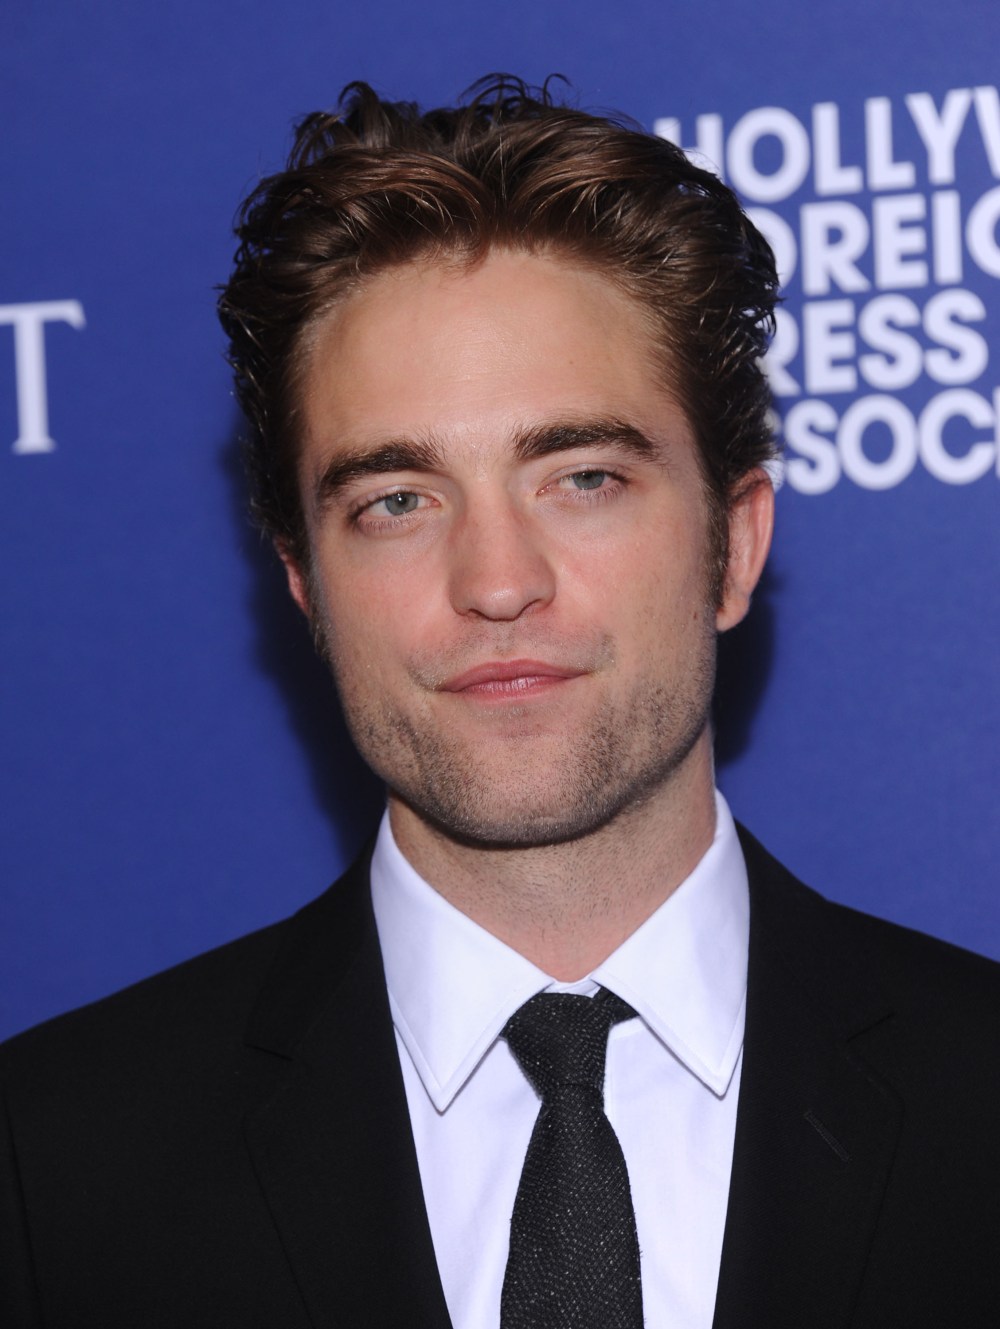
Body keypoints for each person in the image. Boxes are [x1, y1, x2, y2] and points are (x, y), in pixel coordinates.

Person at [1, 77, 999, 1329]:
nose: (496, 582)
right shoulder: (53, 1169)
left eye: (581, 477)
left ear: (735, 545)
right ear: (305, 584)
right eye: (396, 502)